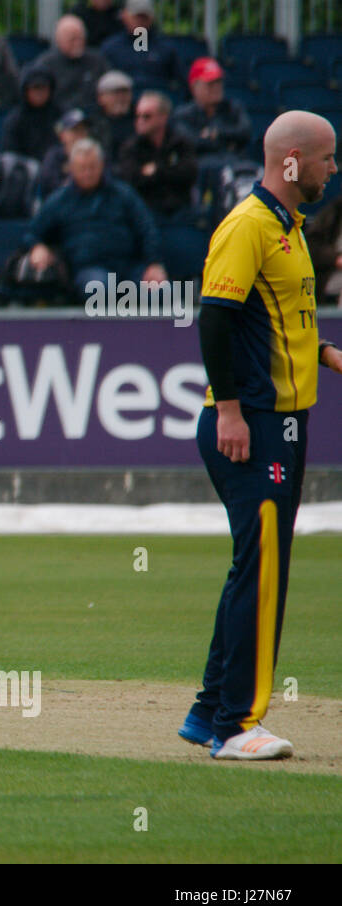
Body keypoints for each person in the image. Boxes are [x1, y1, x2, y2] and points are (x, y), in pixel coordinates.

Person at [182, 110, 339, 760]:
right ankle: (234, 725)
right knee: (264, 569)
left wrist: (327, 353)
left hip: (283, 423)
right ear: (294, 160)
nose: (334, 168)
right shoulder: (248, 225)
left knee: (256, 563)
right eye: (329, 157)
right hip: (255, 425)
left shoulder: (290, 229)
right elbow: (215, 319)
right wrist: (230, 410)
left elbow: (276, 320)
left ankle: (206, 710)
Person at [22, 138, 166, 297]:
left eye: (92, 167)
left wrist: (154, 263)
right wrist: (37, 246)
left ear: (102, 166)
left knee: (162, 291)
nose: (87, 173)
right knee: (99, 290)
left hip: (128, 267)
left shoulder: (123, 194)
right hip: (89, 270)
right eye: (82, 168)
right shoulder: (60, 200)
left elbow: (146, 228)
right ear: (72, 169)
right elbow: (32, 232)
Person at [117, 90, 198, 218]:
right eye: (137, 116)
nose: (140, 120)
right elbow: (132, 180)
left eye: (147, 116)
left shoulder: (180, 143)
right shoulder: (131, 148)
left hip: (180, 211)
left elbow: (189, 174)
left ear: (163, 117)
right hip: (145, 213)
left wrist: (156, 170)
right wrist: (168, 169)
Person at [172, 58, 252, 159]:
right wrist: (228, 142)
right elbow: (190, 143)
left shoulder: (233, 108)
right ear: (194, 87)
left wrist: (217, 133)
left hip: (233, 164)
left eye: (219, 82)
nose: (216, 87)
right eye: (210, 84)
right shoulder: (183, 115)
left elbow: (245, 132)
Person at [100, 0, 185, 95]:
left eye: (144, 17)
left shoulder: (166, 47)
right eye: (136, 17)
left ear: (152, 17)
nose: (140, 21)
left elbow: (180, 83)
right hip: (123, 101)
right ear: (124, 15)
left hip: (158, 101)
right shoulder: (111, 47)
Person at [31, 15, 109, 114]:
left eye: (80, 38)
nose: (77, 43)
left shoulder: (97, 61)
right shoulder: (45, 64)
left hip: (93, 115)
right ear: (59, 40)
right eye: (72, 39)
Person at [1, 64, 60, 161]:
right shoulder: (16, 120)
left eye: (43, 88)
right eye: (35, 88)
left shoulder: (60, 115)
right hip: (25, 170)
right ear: (26, 90)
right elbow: (9, 153)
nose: (39, 93)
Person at [37, 109, 92, 197]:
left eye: (84, 129)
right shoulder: (53, 156)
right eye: (75, 130)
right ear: (62, 135)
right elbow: (49, 185)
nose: (80, 134)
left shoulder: (94, 155)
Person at [87, 70, 136, 163]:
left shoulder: (140, 118)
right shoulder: (91, 122)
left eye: (125, 93)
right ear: (100, 97)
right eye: (115, 93)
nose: (121, 98)